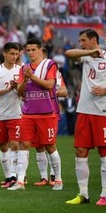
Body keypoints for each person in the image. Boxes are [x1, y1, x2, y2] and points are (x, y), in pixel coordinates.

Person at [10, 37, 63, 191]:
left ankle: (58, 179)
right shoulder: (24, 68)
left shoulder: (49, 64)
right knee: (23, 145)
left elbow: (50, 85)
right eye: (28, 50)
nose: (31, 53)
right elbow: (20, 92)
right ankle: (20, 181)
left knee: (50, 146)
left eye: (34, 50)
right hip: (28, 113)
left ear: (40, 50)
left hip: (46, 113)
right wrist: (25, 81)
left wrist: (32, 77)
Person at [65, 29, 106, 206]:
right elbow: (69, 54)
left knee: (105, 153)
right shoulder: (86, 56)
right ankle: (83, 194)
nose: (81, 44)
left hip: (103, 112)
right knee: (80, 151)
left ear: (94, 40)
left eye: (83, 40)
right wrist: (89, 52)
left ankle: (104, 195)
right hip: (84, 110)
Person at [33, 48, 67, 187]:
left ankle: (54, 176)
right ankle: (43, 177)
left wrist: (49, 91)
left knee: (49, 144)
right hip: (34, 111)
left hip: (50, 112)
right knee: (38, 146)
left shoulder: (54, 73)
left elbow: (64, 91)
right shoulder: (29, 70)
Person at [0, 42, 21, 188]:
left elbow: (25, 93)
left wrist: (18, 88)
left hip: (17, 114)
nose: (14, 57)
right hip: (0, 114)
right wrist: (8, 89)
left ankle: (15, 176)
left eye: (16, 54)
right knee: (3, 146)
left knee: (15, 144)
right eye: (12, 54)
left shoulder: (21, 70)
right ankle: (8, 176)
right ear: (4, 53)